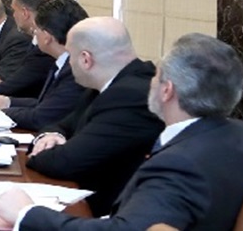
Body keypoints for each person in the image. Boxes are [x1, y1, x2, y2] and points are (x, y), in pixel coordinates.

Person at [0, 33, 243, 231]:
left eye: (156, 76)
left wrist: (27, 213)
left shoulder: (179, 165)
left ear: (167, 91)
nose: (149, 82)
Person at [23, 17, 165, 213]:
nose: (69, 63)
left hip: (110, 212)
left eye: (70, 56)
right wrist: (50, 136)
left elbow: (66, 162)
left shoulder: (130, 96)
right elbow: (63, 125)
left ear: (85, 59)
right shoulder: (107, 85)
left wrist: (36, 153)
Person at [0, 0, 88, 132]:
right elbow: (46, 103)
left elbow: (41, 117)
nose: (34, 36)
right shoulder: (61, 63)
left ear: (47, 37)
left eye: (35, 30)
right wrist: (7, 102)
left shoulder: (74, 71)